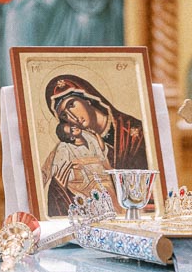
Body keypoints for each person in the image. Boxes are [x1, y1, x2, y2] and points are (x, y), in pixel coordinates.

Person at [43, 73, 146, 215]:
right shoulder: (73, 146)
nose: (72, 117)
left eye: (72, 105)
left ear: (87, 99)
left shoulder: (134, 133)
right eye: (64, 115)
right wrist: (58, 188)